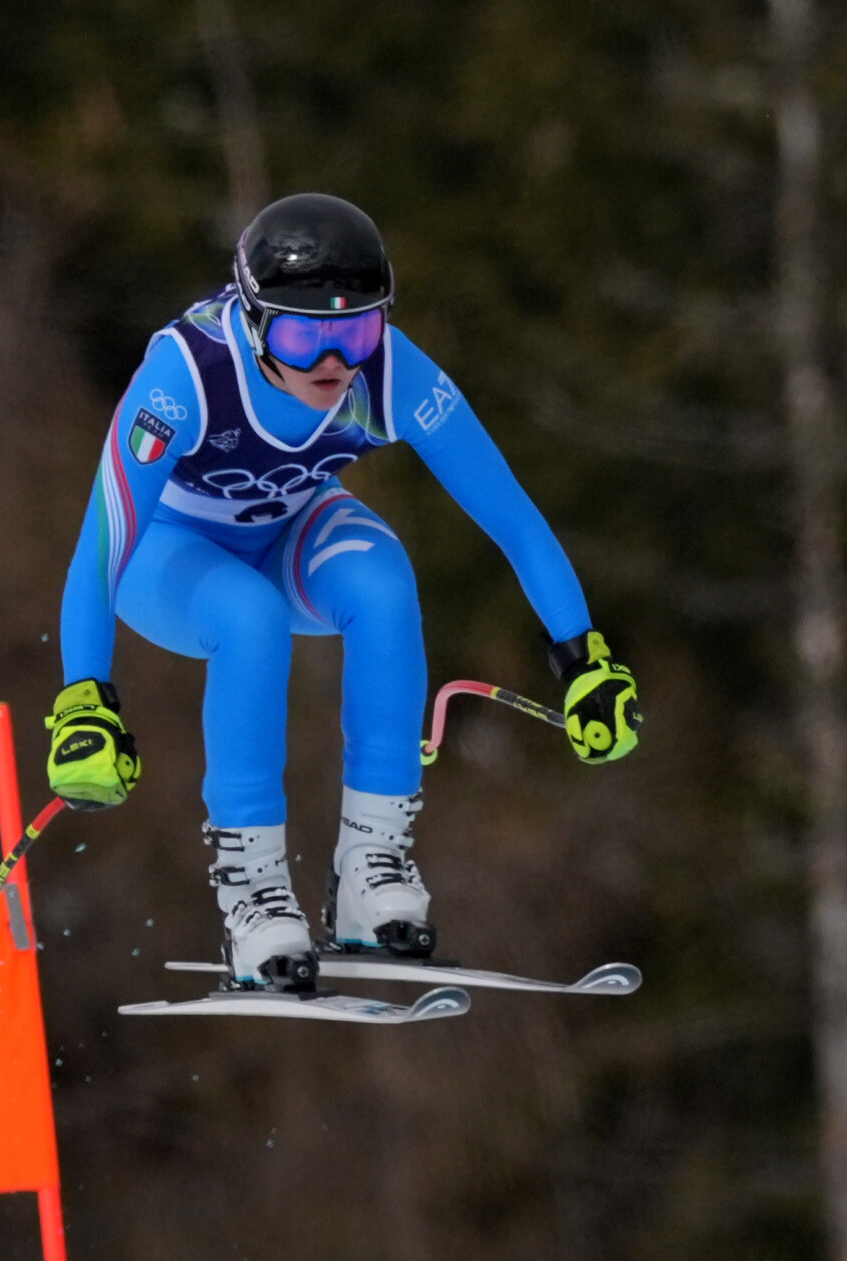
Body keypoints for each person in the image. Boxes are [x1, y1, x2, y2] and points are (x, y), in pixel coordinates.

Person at [44, 192, 640, 989]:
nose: (333, 362)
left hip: (288, 529)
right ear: (256, 322)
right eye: (303, 334)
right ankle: (253, 892)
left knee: (384, 583)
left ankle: (371, 872)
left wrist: (582, 656)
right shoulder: (185, 377)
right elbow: (101, 546)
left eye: (356, 330)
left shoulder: (388, 370)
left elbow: (514, 519)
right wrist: (85, 697)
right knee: (249, 620)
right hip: (169, 555)